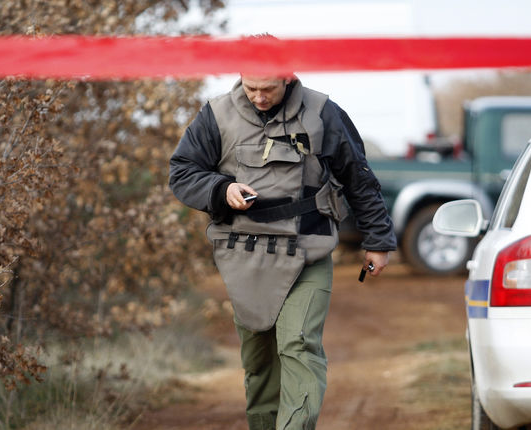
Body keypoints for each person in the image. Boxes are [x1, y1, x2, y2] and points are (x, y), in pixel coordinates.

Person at [169, 61, 396, 429]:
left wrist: (378, 240)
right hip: (242, 252)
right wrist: (221, 189)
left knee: (298, 344)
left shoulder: (323, 113)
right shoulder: (215, 115)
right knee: (259, 363)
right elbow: (182, 172)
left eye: (268, 90)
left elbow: (358, 177)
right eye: (251, 88)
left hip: (308, 249)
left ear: (287, 78)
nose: (259, 97)